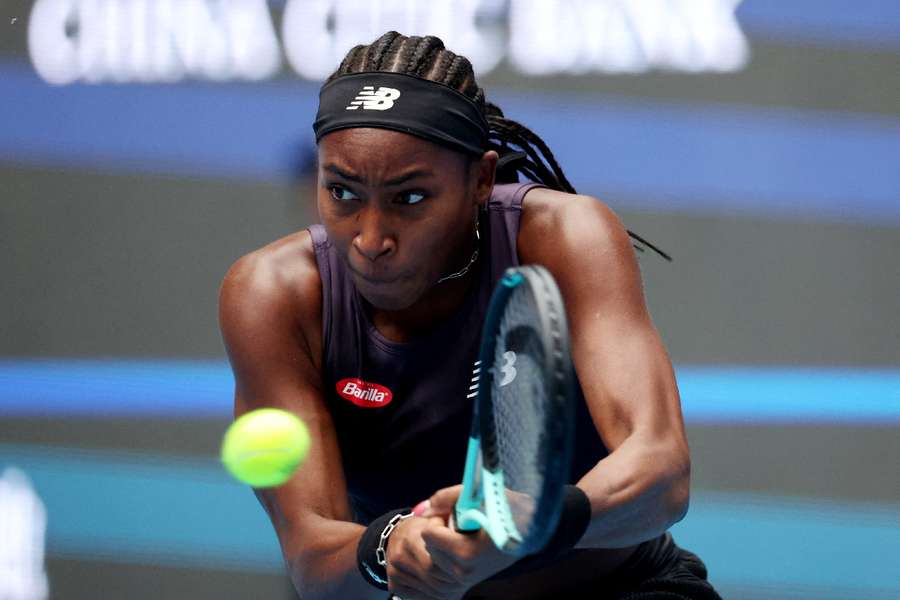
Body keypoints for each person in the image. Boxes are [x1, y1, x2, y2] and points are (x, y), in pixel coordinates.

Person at [219, 31, 722, 600]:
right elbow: (314, 562)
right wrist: (390, 545)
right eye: (342, 192)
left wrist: (532, 525)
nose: (371, 238)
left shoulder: (565, 236)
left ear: (481, 180)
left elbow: (662, 474)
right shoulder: (272, 294)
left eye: (410, 198)